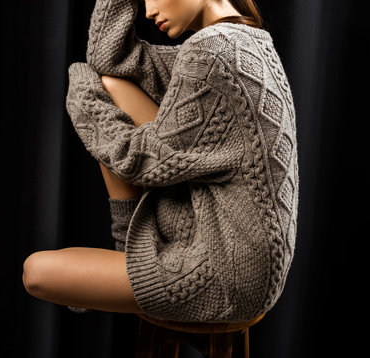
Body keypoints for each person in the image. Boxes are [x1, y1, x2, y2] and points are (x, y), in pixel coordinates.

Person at [23, 0, 299, 323]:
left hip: (227, 274)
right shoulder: (244, 41)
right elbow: (110, 60)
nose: (149, 10)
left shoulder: (210, 56)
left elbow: (138, 160)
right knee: (110, 83)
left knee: (35, 272)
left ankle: (128, 246)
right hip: (249, 263)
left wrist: (81, 93)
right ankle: (131, 253)